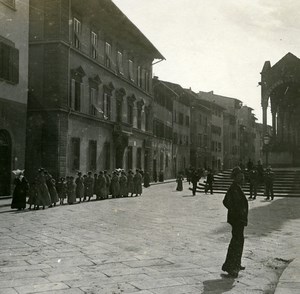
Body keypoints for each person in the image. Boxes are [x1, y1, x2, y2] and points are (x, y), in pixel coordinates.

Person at [222, 166, 248, 278]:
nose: (242, 177)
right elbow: (226, 201)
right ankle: (230, 267)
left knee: (238, 241)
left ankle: (236, 264)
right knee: (236, 242)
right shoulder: (233, 188)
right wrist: (234, 211)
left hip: (239, 220)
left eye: (242, 176)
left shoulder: (237, 187)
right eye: (240, 176)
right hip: (237, 219)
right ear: (235, 177)